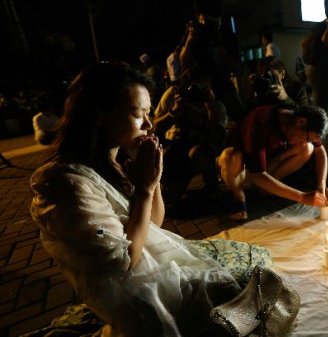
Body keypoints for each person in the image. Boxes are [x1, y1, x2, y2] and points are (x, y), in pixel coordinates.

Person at [29, 62, 242, 335]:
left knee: (242, 282)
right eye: (137, 114)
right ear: (98, 115)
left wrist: (152, 184)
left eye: (149, 113)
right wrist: (143, 189)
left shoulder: (115, 158)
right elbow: (122, 261)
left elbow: (153, 223)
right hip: (129, 294)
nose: (149, 124)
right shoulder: (65, 182)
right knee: (231, 302)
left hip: (149, 264)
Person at [217, 105, 328, 221]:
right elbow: (257, 175)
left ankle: (267, 189)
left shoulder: (303, 121)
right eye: (307, 138)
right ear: (301, 122)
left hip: (265, 166)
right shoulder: (260, 121)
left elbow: (320, 151)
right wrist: (302, 197)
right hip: (241, 170)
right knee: (231, 156)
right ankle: (239, 195)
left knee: (308, 148)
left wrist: (321, 186)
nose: (305, 141)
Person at [152, 66, 227, 210]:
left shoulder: (216, 105)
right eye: (193, 85)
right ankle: (173, 184)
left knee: (199, 154)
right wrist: (174, 112)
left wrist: (211, 111)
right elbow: (155, 127)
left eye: (203, 85)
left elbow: (218, 138)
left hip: (201, 153)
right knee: (168, 203)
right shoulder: (174, 95)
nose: (197, 90)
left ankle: (212, 186)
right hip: (174, 150)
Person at [179, 0, 245, 122]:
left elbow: (236, 67)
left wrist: (219, 46)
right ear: (198, 17)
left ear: (219, 18)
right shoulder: (195, 33)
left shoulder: (227, 35)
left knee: (241, 120)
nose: (208, 26)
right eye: (205, 22)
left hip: (223, 87)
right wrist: (189, 41)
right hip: (199, 89)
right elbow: (183, 62)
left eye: (212, 22)